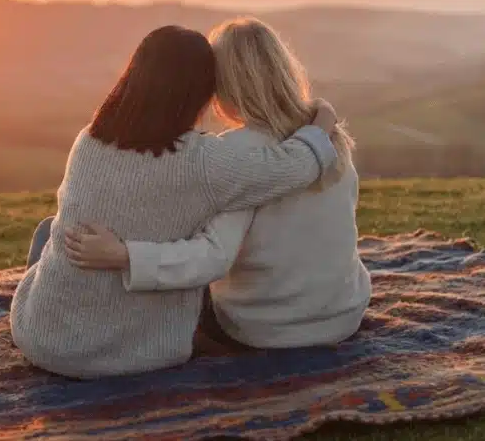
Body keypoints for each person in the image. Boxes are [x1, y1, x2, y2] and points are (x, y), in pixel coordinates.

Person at [9, 24, 342, 378]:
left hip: (40, 339)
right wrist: (323, 118)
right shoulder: (204, 163)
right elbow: (300, 165)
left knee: (50, 231)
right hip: (133, 355)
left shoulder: (88, 141)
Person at [65, 18, 371, 350]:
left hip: (267, 329)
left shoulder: (234, 153)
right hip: (344, 314)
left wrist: (125, 256)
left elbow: (211, 258)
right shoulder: (331, 139)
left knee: (183, 283)